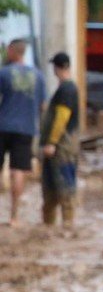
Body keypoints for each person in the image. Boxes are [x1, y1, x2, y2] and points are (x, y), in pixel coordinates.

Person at [0, 39, 46, 226]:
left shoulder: (4, 73)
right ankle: (14, 216)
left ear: (12, 51)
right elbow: (43, 106)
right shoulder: (38, 76)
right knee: (18, 171)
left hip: (3, 126)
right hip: (26, 128)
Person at [40, 52, 80, 227]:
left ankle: (68, 224)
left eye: (55, 67)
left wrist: (51, 142)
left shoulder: (67, 89)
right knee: (50, 187)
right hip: (60, 144)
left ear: (60, 67)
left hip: (61, 146)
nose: (54, 71)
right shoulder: (65, 88)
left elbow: (61, 118)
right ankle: (50, 224)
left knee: (64, 184)